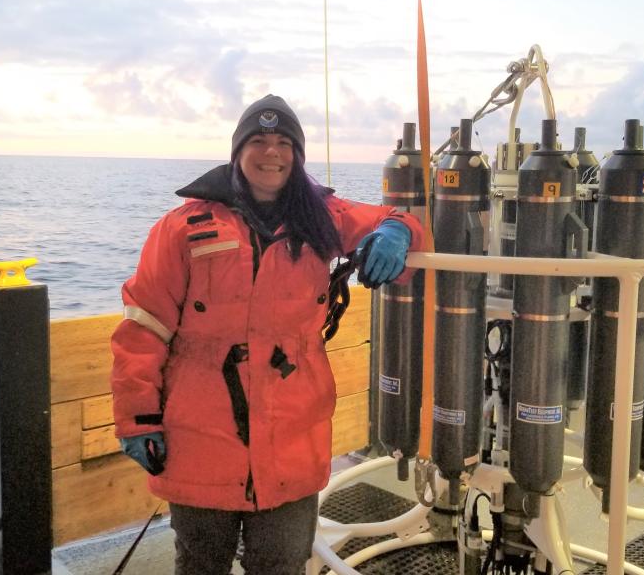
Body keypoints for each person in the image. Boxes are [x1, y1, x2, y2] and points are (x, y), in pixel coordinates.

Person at [110, 94, 423, 575]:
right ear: (238, 152)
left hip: (292, 431)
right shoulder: (183, 227)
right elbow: (143, 328)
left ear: (297, 155)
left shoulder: (323, 216)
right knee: (199, 562)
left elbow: (396, 219)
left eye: (283, 142)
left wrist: (398, 234)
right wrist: (138, 419)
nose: (271, 152)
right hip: (200, 437)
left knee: (281, 563)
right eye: (258, 140)